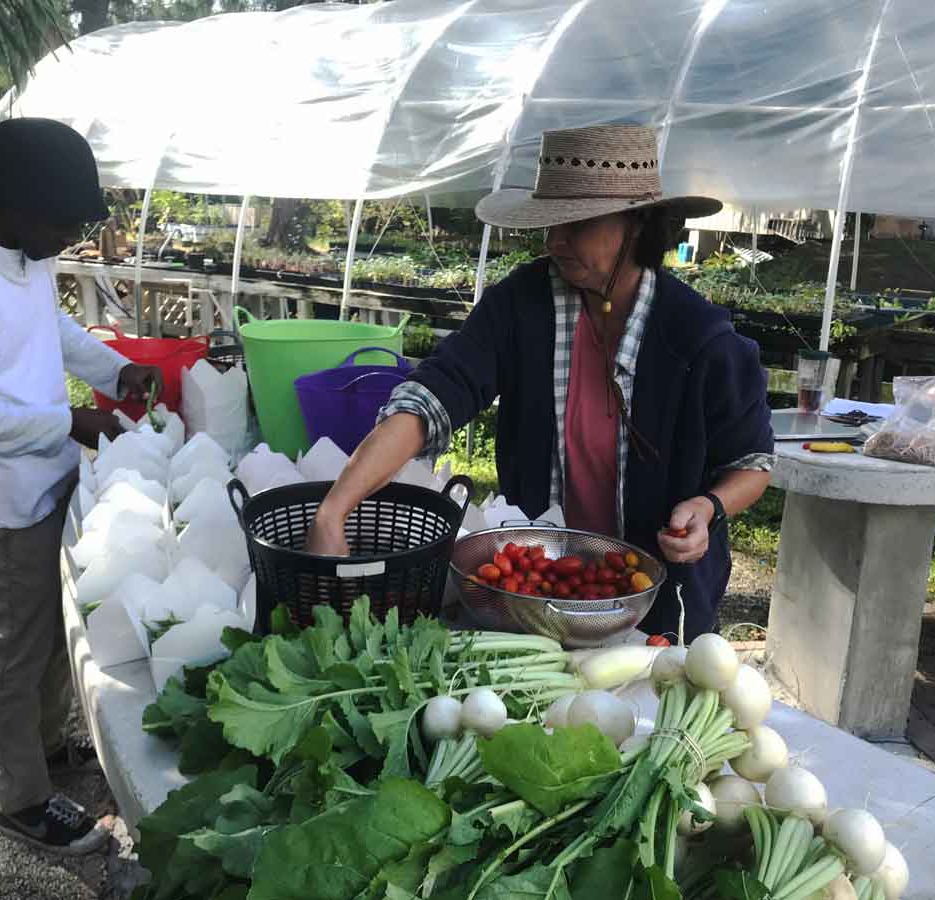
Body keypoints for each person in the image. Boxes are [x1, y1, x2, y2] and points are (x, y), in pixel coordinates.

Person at [307, 124, 773, 642]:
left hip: (659, 602)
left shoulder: (699, 338)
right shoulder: (520, 306)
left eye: (576, 224)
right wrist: (334, 510)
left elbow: (751, 463)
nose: (554, 241)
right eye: (550, 223)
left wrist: (708, 507)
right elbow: (432, 397)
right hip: (535, 591)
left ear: (637, 224)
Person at [0, 118, 162, 856]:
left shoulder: (21, 250)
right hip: (1, 501)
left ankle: (45, 749)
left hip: (52, 478)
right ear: (15, 204)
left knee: (53, 637)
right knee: (16, 649)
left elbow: (51, 329)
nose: (71, 239)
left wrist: (114, 371)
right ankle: (20, 799)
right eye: (65, 224)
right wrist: (67, 421)